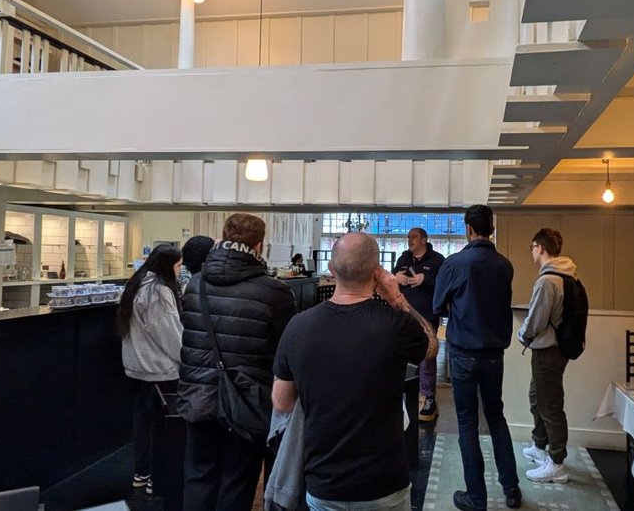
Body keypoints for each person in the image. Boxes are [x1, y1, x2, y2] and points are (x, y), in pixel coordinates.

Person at [271, 232, 438, 511]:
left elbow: (282, 401)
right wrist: (398, 300)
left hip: (324, 480)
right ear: (377, 274)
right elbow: (431, 346)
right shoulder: (395, 325)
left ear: (331, 269)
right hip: (385, 483)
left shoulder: (298, 327)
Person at [177, 214, 297, 510]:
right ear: (259, 244)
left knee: (198, 477)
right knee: (237, 481)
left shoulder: (195, 285)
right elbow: (283, 354)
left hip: (198, 397)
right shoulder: (275, 292)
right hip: (247, 401)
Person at [433, 205, 521, 511]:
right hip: (495, 355)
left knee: (468, 423)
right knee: (496, 417)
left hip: (462, 354)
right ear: (492, 229)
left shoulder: (455, 263)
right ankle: (511, 488)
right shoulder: (505, 265)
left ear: (468, 230)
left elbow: (437, 305)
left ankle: (476, 497)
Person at [117, 243, 185, 498]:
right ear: (168, 266)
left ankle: (141, 473)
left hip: (136, 369)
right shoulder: (159, 292)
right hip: (160, 371)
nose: (181, 271)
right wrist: (184, 357)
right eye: (179, 266)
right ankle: (157, 478)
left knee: (143, 423)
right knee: (163, 428)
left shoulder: (136, 285)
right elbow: (169, 334)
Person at [516, 228, 575, 483]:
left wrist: (522, 334)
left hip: (547, 349)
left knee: (550, 406)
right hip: (555, 349)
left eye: (532, 247)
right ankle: (540, 447)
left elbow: (537, 319)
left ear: (540, 247)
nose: (532, 251)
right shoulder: (567, 275)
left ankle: (557, 462)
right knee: (537, 398)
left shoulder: (548, 281)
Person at [392, 227, 445, 422]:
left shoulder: (437, 260)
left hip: (426, 317)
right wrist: (396, 277)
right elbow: (392, 277)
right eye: (408, 237)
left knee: (427, 357)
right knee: (401, 355)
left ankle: (429, 398)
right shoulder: (404, 258)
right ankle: (403, 394)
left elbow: (445, 285)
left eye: (413, 236)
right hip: (403, 316)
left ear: (424, 239)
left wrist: (427, 280)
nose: (409, 240)